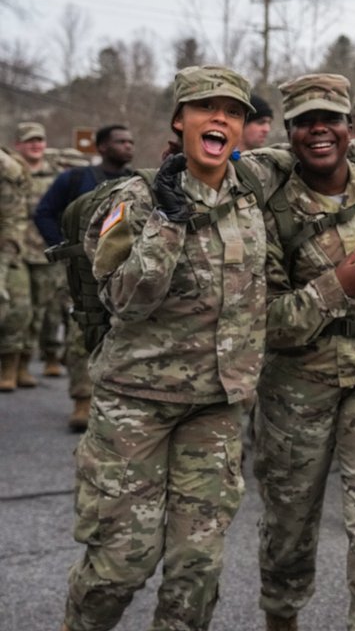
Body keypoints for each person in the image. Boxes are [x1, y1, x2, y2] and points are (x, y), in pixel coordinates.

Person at [61, 65, 290, 631]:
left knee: (197, 568)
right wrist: (168, 219)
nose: (220, 119)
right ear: (179, 121)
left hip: (215, 407)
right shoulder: (134, 200)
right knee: (121, 562)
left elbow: (310, 151)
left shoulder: (249, 194)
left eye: (233, 112)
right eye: (206, 108)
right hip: (134, 405)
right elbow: (125, 300)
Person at [255, 74, 355, 631]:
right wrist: (334, 287)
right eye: (305, 122)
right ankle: (281, 614)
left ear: (350, 128)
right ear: (290, 132)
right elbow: (262, 322)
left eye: (330, 119)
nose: (319, 131)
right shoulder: (270, 207)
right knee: (289, 521)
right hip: (298, 384)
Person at [35, 124, 136, 430]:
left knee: (123, 332)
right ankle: (82, 399)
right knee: (82, 330)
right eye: (121, 141)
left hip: (121, 270)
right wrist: (63, 247)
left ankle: (118, 402)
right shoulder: (75, 178)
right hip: (81, 271)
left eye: (131, 141)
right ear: (102, 147)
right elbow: (44, 212)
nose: (128, 146)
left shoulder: (136, 181)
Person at [8, 122, 64, 386]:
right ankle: (10, 364)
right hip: (14, 250)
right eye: (30, 140)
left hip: (44, 250)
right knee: (19, 309)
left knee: (42, 310)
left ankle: (26, 364)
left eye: (40, 140)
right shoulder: (10, 171)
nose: (36, 145)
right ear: (18, 143)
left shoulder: (55, 172)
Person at [0, 145, 33, 392]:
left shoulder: (7, 167)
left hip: (6, 249)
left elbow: (11, 218)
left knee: (18, 308)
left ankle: (11, 366)